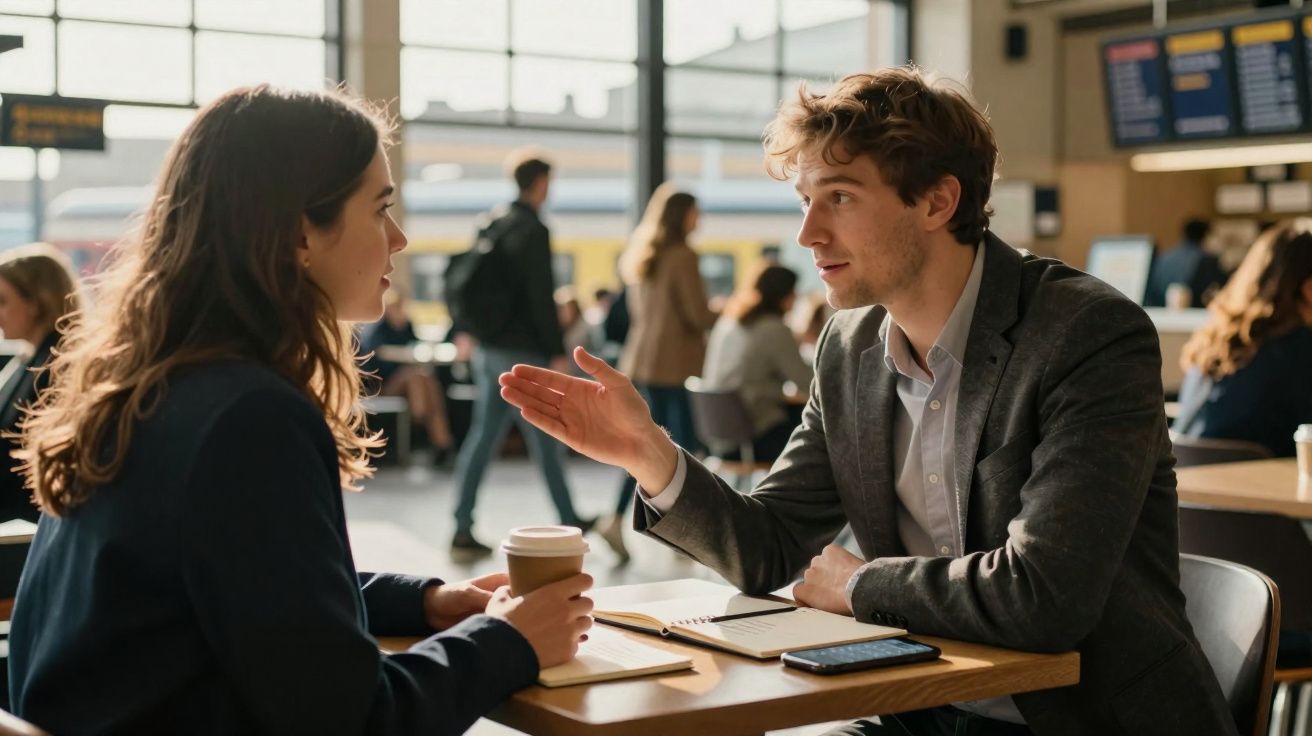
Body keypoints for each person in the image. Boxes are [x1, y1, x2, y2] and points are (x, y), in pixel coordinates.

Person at [499, 67, 1234, 735]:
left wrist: (860, 584)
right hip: (922, 711)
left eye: (840, 199)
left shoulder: (1083, 333)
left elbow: (1044, 596)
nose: (808, 234)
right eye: (805, 200)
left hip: (1081, 720)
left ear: (939, 201)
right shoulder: (850, 346)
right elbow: (770, 550)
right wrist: (649, 453)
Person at [8, 85, 593, 735]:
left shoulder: (154, 385)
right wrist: (509, 642)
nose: (397, 240)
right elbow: (356, 721)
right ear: (298, 233)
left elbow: (255, 590)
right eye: (379, 210)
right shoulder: (250, 420)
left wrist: (427, 604)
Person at [448, 152, 595, 559]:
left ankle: (461, 525)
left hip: (488, 348)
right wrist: (555, 349)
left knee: (482, 437)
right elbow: (539, 294)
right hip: (523, 352)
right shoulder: (533, 229)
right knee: (545, 435)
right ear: (541, 183)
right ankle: (571, 519)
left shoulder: (492, 223)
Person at [598, 184, 717, 561]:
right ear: (682, 215)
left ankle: (616, 519)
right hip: (672, 365)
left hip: (643, 362)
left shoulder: (645, 256)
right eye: (696, 212)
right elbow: (696, 315)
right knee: (680, 450)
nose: (700, 219)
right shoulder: (683, 256)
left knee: (645, 445)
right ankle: (684, 533)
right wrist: (730, 309)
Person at [1174, 219, 1312, 458]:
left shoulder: (1215, 342)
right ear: (1309, 288)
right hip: (1267, 491)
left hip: (1189, 491)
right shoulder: (1301, 349)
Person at [702, 261, 813, 463]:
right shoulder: (774, 329)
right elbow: (807, 384)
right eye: (794, 292)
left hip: (720, 436)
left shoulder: (729, 322)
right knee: (820, 428)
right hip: (755, 437)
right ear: (783, 295)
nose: (796, 298)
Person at [0, 244, 80, 523]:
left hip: (24, 520)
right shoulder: (29, 358)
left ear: (35, 303)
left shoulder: (58, 365)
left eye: (3, 301)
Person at [361, 290, 455, 463]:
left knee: (425, 379)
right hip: (384, 386)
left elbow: (415, 347)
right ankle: (434, 434)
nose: (400, 311)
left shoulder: (407, 327)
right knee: (416, 376)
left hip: (411, 387)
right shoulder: (379, 330)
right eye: (396, 308)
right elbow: (375, 361)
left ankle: (431, 430)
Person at [1145, 217, 1226, 308]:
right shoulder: (1206, 259)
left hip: (1161, 312)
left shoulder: (1164, 256)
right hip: (1193, 314)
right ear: (1206, 235)